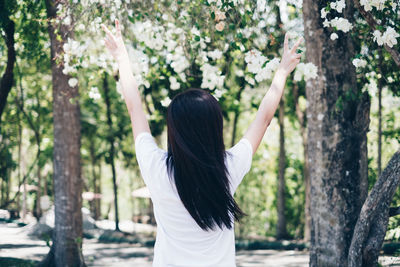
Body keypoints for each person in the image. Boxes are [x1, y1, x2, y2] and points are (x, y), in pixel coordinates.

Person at [102, 19, 302, 267]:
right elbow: (263, 120)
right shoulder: (227, 169)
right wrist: (281, 72)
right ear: (214, 129)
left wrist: (122, 57)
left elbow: (134, 109)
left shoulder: (157, 168)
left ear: (174, 131)